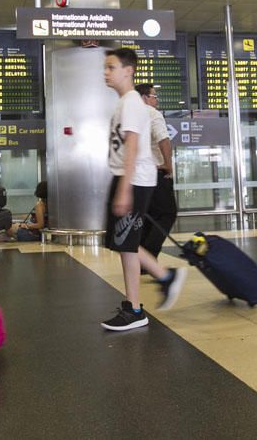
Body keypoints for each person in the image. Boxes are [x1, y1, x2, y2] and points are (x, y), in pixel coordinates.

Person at [100, 48, 187, 331]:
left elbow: (134, 146)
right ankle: (136, 305)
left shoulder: (132, 104)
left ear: (128, 70)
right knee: (124, 244)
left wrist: (124, 189)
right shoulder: (126, 102)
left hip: (134, 179)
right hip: (129, 178)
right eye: (106, 67)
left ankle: (161, 282)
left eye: (111, 67)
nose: (106, 72)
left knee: (124, 242)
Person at [135, 83, 178, 263]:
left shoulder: (130, 116)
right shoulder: (152, 114)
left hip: (138, 176)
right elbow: (164, 140)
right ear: (144, 97)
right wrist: (168, 165)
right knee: (168, 213)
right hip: (156, 173)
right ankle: (149, 259)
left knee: (148, 217)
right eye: (154, 96)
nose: (156, 100)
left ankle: (142, 260)